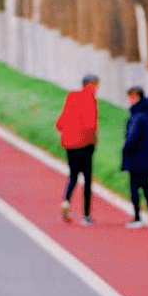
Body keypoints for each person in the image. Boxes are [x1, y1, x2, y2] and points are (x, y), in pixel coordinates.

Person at [55, 73, 100, 223]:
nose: (96, 88)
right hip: (84, 144)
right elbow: (91, 125)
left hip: (69, 143)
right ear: (91, 84)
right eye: (95, 85)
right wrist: (93, 140)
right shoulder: (91, 99)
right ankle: (86, 216)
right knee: (87, 179)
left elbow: (61, 122)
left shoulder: (72, 96)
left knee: (74, 175)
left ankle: (66, 201)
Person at [122, 85, 148, 227]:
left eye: (132, 96)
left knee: (134, 187)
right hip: (147, 158)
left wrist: (125, 148)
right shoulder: (147, 113)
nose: (130, 100)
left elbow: (132, 137)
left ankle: (137, 218)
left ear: (137, 97)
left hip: (136, 157)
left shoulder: (137, 115)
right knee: (146, 184)